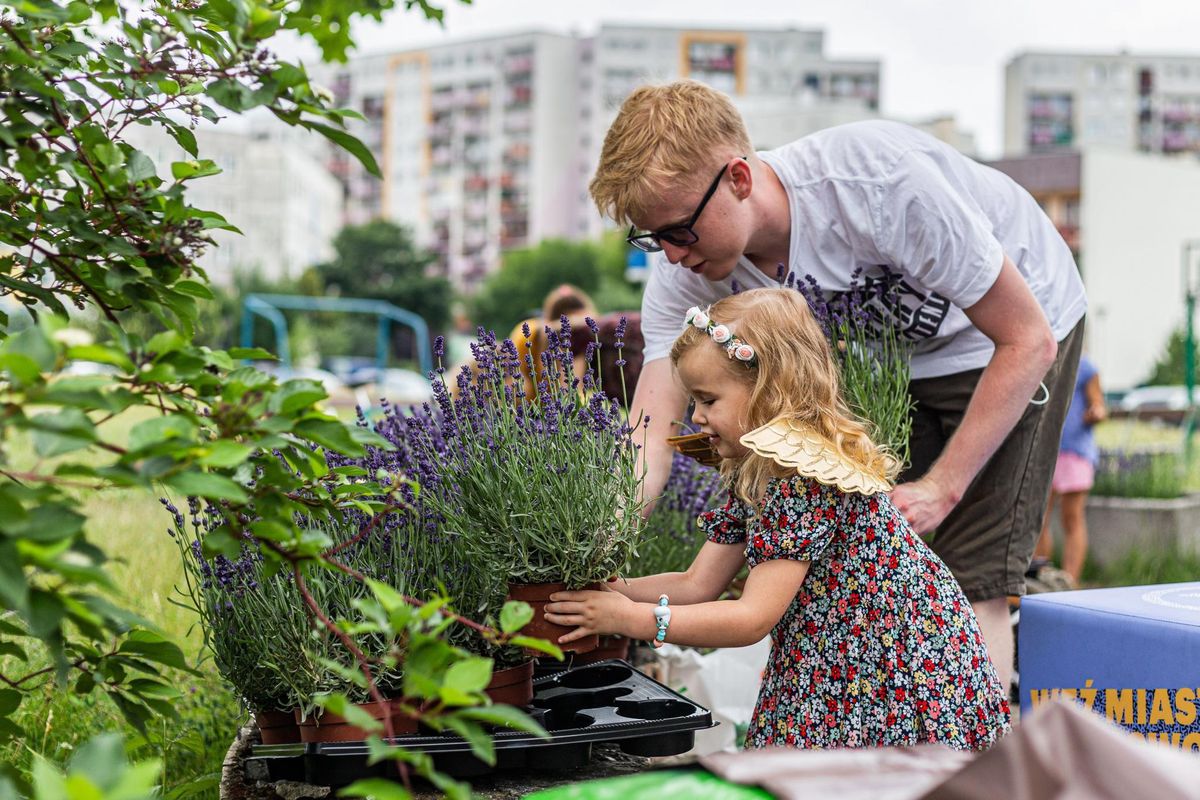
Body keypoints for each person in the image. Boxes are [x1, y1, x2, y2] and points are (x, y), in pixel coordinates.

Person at [587, 80, 1087, 690]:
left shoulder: (879, 188)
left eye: (679, 231)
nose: (668, 255)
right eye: (650, 238)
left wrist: (942, 487)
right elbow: (650, 433)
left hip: (1016, 332)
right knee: (872, 573)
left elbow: (1027, 339)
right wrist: (598, 542)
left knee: (971, 570)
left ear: (739, 179)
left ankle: (976, 763)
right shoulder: (685, 274)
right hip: (899, 360)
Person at [545, 288, 1011, 750]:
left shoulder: (800, 478)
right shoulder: (757, 469)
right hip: (835, 657)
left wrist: (634, 619)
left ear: (769, 391)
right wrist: (612, 594)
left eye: (708, 400)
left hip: (892, 666)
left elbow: (752, 618)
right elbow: (697, 583)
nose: (696, 417)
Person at [1033, 355, 1106, 585]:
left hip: (1075, 451)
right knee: (1037, 517)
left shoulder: (1085, 367)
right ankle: (1041, 576)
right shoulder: (1040, 358)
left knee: (1071, 517)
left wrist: (1095, 413)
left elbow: (1098, 404)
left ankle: (1070, 582)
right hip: (1045, 449)